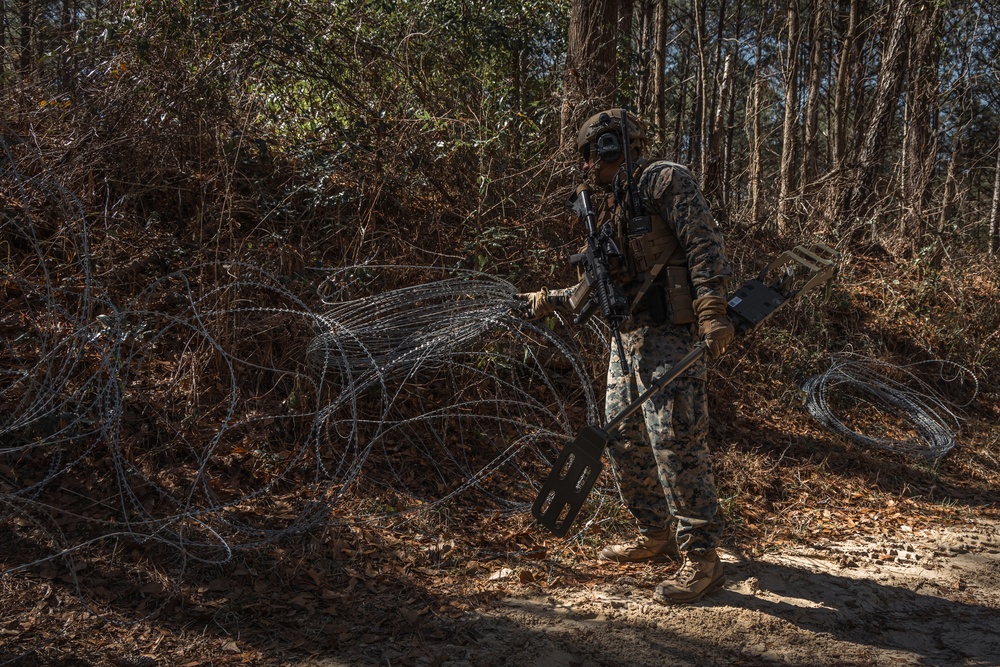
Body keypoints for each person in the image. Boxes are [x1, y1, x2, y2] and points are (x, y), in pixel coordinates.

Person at [520, 109, 734, 604]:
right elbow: (599, 282)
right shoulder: (608, 208)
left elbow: (704, 246)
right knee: (622, 438)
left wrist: (712, 311)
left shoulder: (664, 181)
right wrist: (552, 298)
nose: (589, 165)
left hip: (673, 336)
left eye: (595, 152)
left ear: (615, 146)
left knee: (676, 443)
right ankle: (654, 534)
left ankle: (702, 559)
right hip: (630, 339)